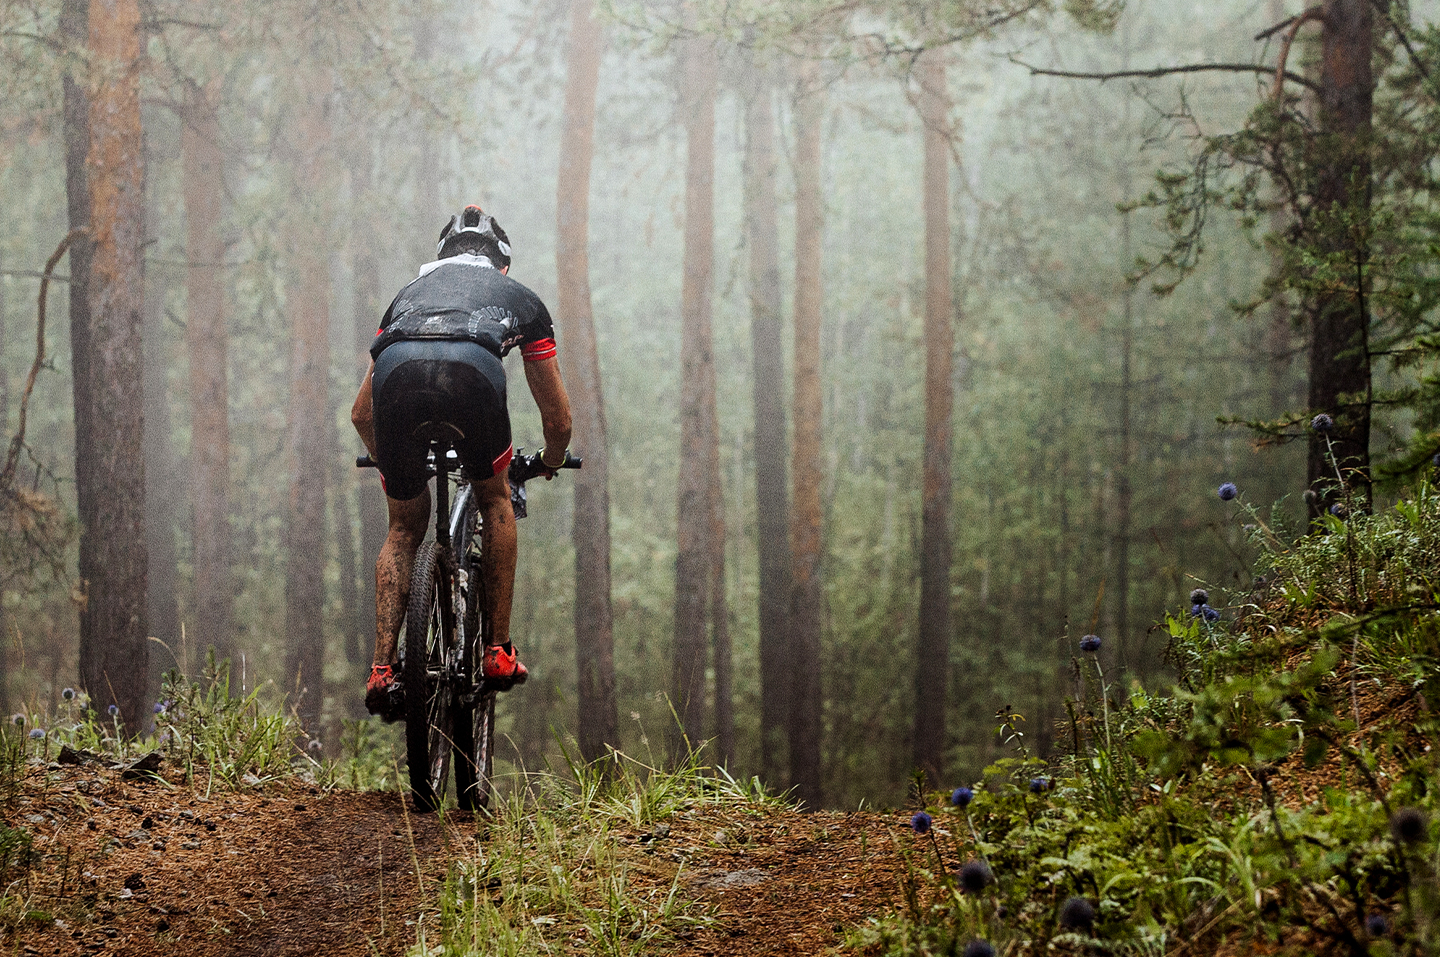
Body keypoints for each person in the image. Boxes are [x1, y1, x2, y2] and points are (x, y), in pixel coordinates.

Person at [351, 205, 572, 718]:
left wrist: (396, 466)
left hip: (396, 378)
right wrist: (549, 460)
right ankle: (496, 650)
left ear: (441, 258)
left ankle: (383, 668)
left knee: (404, 528)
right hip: (474, 375)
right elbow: (557, 421)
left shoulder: (405, 299)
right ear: (503, 264)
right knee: (494, 498)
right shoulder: (521, 300)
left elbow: (362, 414)